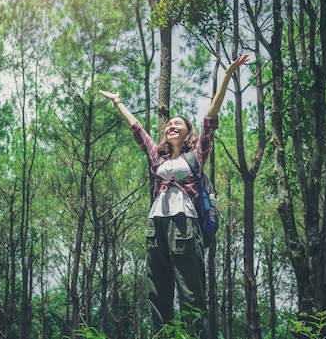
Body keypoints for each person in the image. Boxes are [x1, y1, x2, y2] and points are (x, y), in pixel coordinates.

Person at [99, 54, 249, 338]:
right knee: (158, 295)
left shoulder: (196, 155)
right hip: (155, 227)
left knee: (192, 295)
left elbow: (210, 117)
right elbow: (138, 130)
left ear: (187, 133)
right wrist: (118, 101)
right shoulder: (157, 157)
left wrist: (227, 76)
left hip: (185, 226)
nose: (171, 126)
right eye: (169, 125)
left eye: (178, 124)